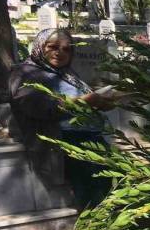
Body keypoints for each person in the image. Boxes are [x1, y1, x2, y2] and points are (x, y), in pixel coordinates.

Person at [8, 28, 117, 209]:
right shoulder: (23, 74)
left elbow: (84, 101)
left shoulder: (67, 74)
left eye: (67, 49)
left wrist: (102, 103)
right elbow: (39, 107)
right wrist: (85, 102)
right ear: (40, 47)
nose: (60, 53)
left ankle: (109, 229)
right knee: (92, 195)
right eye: (53, 47)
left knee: (111, 186)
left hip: (92, 139)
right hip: (65, 142)